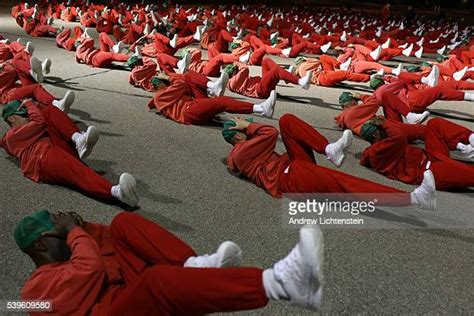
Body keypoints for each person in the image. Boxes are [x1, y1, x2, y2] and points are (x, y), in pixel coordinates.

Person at [16, 210, 324, 314]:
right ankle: (282, 284)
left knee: (123, 223)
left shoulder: (76, 250)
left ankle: (193, 266)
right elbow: (90, 268)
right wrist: (73, 232)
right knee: (156, 281)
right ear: (42, 244)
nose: (71, 233)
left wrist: (82, 229)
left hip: (125, 299)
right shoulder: (33, 294)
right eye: (59, 231)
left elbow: (109, 245)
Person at [222, 114, 436, 209]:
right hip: (288, 177)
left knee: (287, 120)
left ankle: (329, 149)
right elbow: (269, 132)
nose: (247, 129)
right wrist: (247, 126)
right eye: (242, 129)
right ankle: (414, 199)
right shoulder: (242, 152)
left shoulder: (240, 154)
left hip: (291, 166)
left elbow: (278, 129)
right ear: (238, 137)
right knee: (346, 184)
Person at [1, 99, 139, 206]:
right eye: (23, 115)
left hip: (52, 148)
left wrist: (38, 105)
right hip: (42, 159)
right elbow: (39, 120)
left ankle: (78, 139)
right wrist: (30, 105)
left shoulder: (24, 129)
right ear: (11, 118)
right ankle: (115, 192)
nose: (27, 117)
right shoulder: (12, 136)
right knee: (77, 173)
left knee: (49, 110)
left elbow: (52, 117)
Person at [360, 117, 474, 191]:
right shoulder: (378, 149)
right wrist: (385, 123)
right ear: (375, 135)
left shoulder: (376, 149)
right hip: (430, 171)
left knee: (434, 124)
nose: (385, 130)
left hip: (431, 156)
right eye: (381, 129)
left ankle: (471, 137)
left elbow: (364, 160)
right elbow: (399, 135)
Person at [148, 71, 277, 125]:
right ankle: (261, 109)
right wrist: (169, 77)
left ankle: (212, 86)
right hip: (189, 112)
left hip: (193, 105)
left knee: (189, 75)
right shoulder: (160, 95)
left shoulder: (164, 93)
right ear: (160, 83)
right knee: (222, 102)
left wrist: (170, 76)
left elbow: (184, 81)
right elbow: (180, 84)